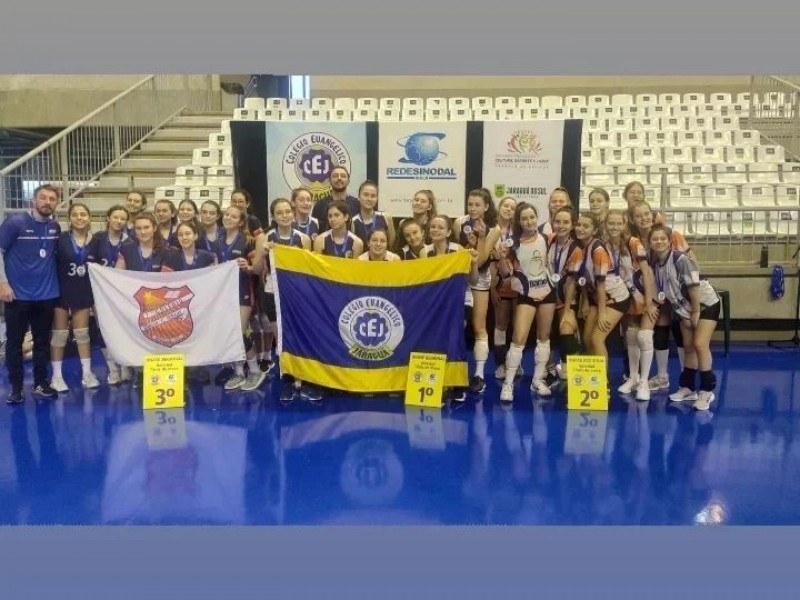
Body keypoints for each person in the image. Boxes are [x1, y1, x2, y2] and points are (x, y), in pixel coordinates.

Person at [0, 184, 62, 403]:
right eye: (43, 198)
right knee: (15, 343)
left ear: (56, 203)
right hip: (17, 296)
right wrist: (3, 283)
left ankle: (40, 383)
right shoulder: (15, 223)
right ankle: (16, 388)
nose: (47, 202)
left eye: (52, 199)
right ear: (33, 201)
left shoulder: (55, 227)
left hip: (46, 296)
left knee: (42, 342)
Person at [648, 225, 720, 411]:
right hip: (683, 309)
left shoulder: (679, 259)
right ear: (650, 242)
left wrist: (695, 312)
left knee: (699, 344)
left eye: (663, 238)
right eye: (655, 239)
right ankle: (688, 387)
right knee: (687, 347)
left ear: (670, 241)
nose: (659, 242)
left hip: (704, 304)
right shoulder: (656, 263)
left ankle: (707, 390)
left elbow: (693, 286)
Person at [496, 202, 557, 402]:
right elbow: (505, 275)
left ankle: (538, 380)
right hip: (526, 294)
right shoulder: (512, 244)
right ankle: (508, 384)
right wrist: (502, 259)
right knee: (519, 338)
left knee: (544, 337)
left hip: (547, 292)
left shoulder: (548, 238)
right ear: (519, 221)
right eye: (524, 218)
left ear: (537, 217)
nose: (529, 221)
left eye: (532, 217)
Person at [561, 213, 630, 361]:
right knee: (586, 339)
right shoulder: (578, 248)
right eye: (579, 225)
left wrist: (603, 313)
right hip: (596, 297)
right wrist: (569, 310)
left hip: (615, 298)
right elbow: (577, 280)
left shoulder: (598, 249)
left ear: (594, 230)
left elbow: (600, 283)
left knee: (596, 339)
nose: (580, 228)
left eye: (586, 226)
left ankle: (604, 382)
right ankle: (594, 377)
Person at [50, 202, 100, 393]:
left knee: (82, 334)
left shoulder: (96, 241)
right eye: (75, 214)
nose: (79, 217)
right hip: (61, 292)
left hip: (83, 291)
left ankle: (87, 374)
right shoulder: (61, 239)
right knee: (60, 335)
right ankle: (56, 376)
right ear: (69, 219)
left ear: (89, 218)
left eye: (83, 214)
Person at [455, 188, 499, 394]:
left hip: (480, 278)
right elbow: (455, 251)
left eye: (477, 205)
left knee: (478, 325)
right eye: (470, 204)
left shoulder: (494, 229)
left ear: (486, 207)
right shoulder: (459, 223)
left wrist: (480, 238)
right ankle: (455, 371)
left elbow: (481, 260)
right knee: (457, 323)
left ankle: (479, 374)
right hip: (460, 277)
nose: (472, 208)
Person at [90, 204, 129, 384]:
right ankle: (113, 368)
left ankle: (125, 365)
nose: (119, 221)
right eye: (116, 217)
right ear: (108, 218)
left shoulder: (129, 241)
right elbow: (91, 265)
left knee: (124, 328)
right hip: (101, 293)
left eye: (122, 219)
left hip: (123, 294)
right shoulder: (97, 239)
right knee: (103, 329)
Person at [310, 166, 361, 233]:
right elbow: (315, 230)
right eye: (335, 176)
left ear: (348, 181)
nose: (339, 178)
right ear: (329, 181)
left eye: (343, 176)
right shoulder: (320, 205)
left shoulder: (356, 204)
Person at [351, 180, 396, 249]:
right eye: (365, 195)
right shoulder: (354, 221)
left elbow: (391, 244)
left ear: (377, 198)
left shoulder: (385, 217)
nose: (369, 199)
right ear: (359, 197)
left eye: (373, 196)